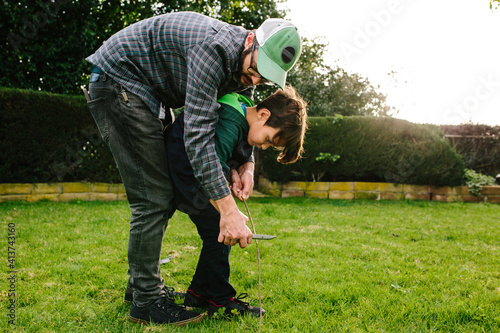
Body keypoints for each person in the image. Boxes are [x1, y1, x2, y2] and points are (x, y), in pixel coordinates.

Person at [85, 11, 302, 326]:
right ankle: (146, 302)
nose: (254, 81)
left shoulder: (244, 67)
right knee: (153, 198)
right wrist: (226, 212)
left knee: (160, 197)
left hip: (148, 97)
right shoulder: (212, 49)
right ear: (251, 40)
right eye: (255, 69)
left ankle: (140, 287)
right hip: (121, 84)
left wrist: (247, 164)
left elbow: (248, 119)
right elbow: (198, 140)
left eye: (264, 77)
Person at [166, 87, 307, 318]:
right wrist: (227, 208)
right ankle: (222, 301)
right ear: (263, 115)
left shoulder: (243, 106)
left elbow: (229, 153)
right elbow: (211, 162)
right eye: (269, 140)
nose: (263, 147)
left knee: (214, 236)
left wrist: (241, 170)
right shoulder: (231, 122)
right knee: (221, 233)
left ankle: (198, 294)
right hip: (189, 176)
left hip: (194, 175)